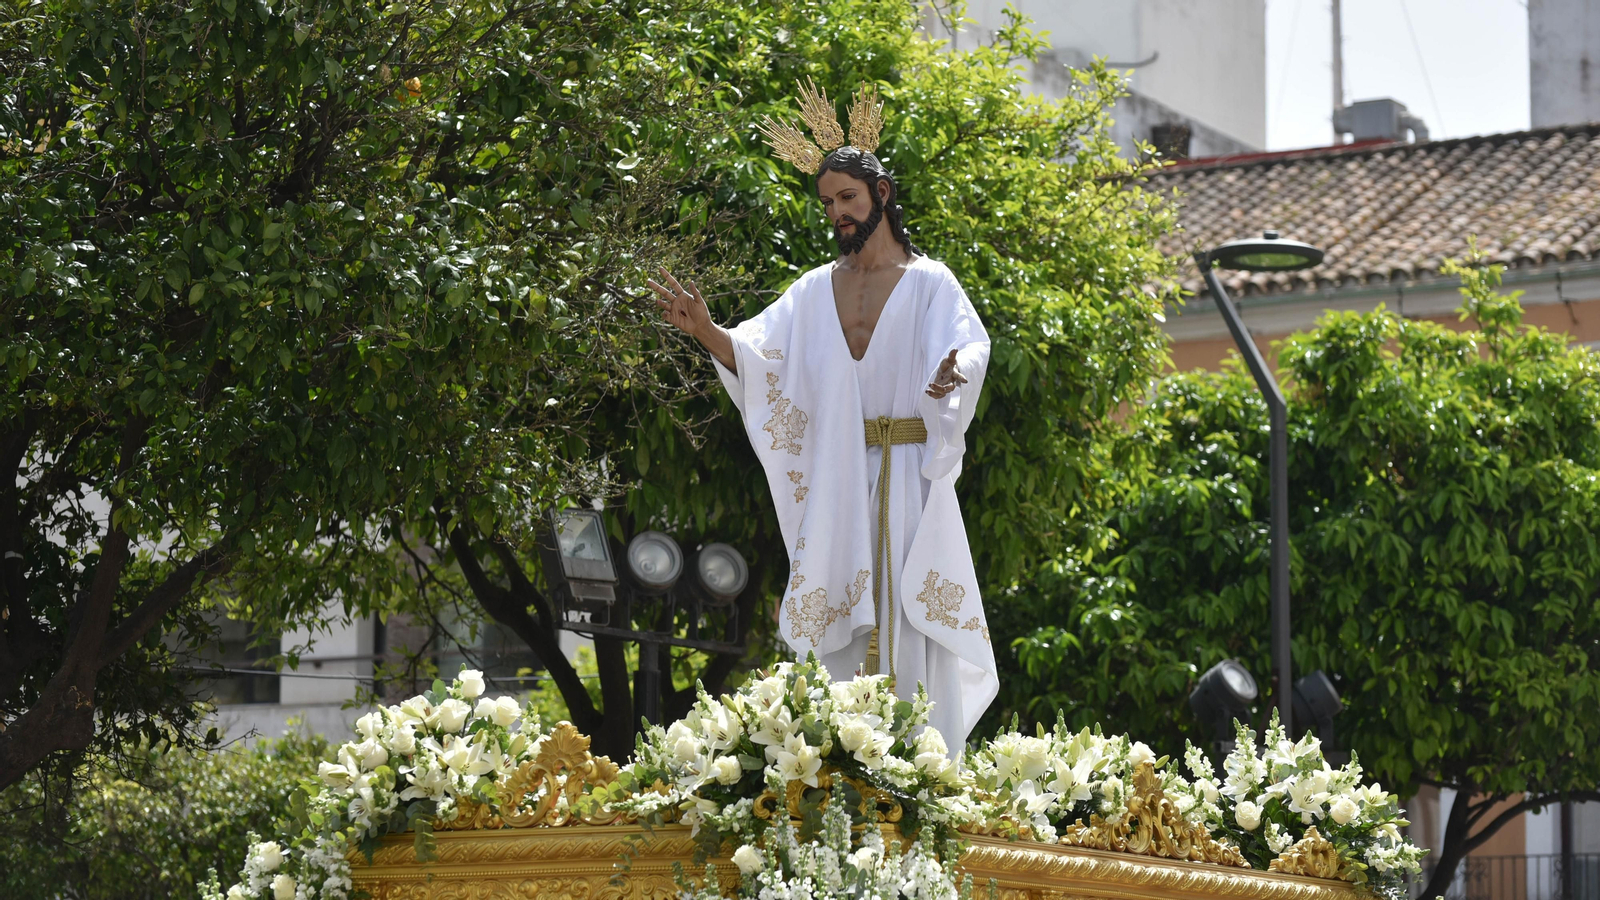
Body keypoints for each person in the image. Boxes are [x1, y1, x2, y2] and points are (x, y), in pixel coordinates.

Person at [646, 81, 994, 753]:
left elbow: (970, 345)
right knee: (837, 632)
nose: (837, 213)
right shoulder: (812, 292)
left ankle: (916, 762)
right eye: (828, 202)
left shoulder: (930, 284)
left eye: (848, 199)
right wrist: (707, 332)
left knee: (906, 621)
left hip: (907, 481)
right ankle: (841, 764)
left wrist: (955, 370)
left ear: (882, 196)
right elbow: (761, 360)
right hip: (839, 481)